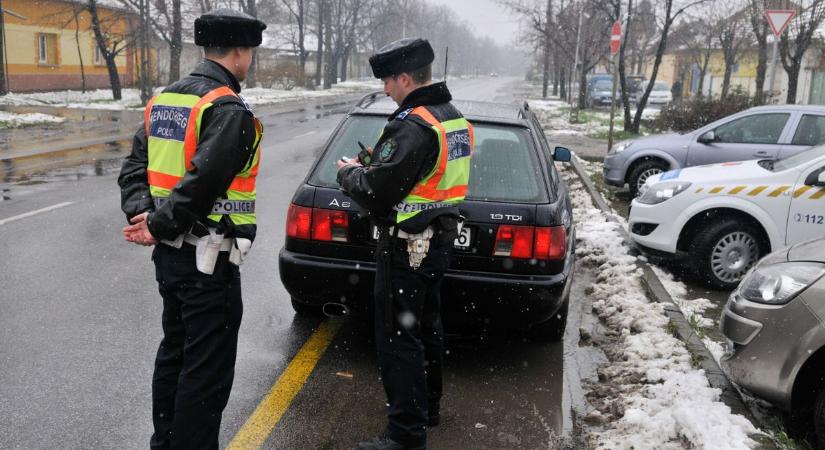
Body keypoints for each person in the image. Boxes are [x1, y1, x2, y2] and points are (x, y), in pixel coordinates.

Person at [117, 9, 265, 450]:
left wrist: (147, 218)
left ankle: (164, 442)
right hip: (208, 259)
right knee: (206, 371)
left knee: (175, 355)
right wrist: (157, 223)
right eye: (250, 52)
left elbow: (134, 170)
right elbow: (204, 182)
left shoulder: (165, 100)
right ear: (239, 52)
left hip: (171, 256)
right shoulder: (227, 108)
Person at [336, 37, 475, 450]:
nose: (385, 90)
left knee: (398, 339)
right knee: (425, 327)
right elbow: (423, 173)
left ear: (404, 78)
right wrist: (378, 164)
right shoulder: (451, 118)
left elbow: (376, 192)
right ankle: (427, 408)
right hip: (437, 243)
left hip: (407, 247)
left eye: (387, 82)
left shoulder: (412, 125)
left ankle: (405, 435)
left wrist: (348, 173)